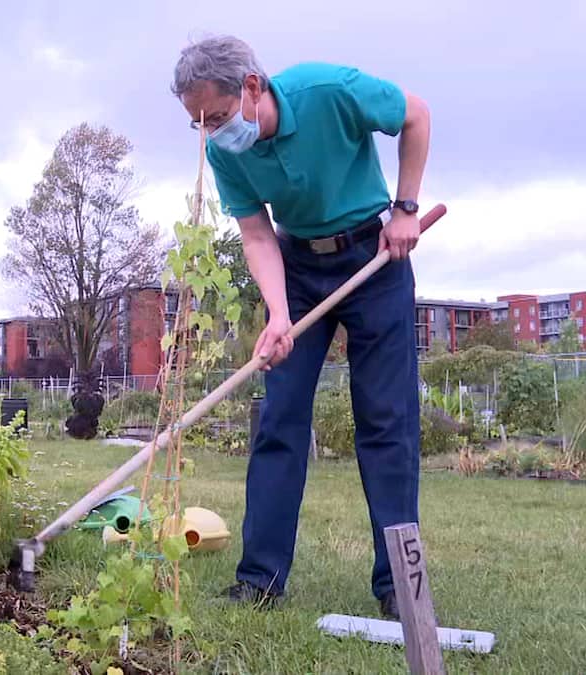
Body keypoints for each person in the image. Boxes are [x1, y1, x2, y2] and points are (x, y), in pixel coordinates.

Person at [170, 35, 431, 618]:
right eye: (198, 124)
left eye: (216, 115)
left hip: (374, 257)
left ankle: (398, 586)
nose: (211, 133)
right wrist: (280, 314)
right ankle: (259, 579)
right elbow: (257, 233)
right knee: (279, 422)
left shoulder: (328, 91)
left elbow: (416, 114)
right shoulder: (224, 153)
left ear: (252, 88)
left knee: (387, 423)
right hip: (297, 268)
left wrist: (405, 209)